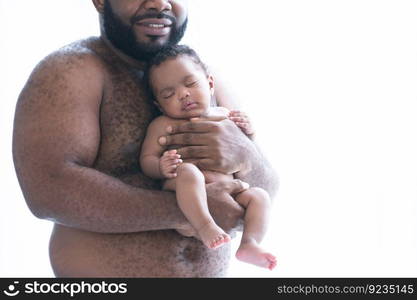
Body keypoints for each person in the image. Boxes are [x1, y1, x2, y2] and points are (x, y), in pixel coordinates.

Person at [12, 0, 278, 277]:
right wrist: (188, 211)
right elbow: (49, 190)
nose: (159, 3)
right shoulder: (71, 70)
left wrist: (246, 155)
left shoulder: (201, 77)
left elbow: (267, 188)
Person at [140, 45, 277, 270]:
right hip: (186, 186)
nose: (183, 94)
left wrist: (248, 130)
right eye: (168, 94)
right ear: (159, 105)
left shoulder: (224, 114)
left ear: (210, 84)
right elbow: (147, 158)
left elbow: (246, 148)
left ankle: (249, 244)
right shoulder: (163, 125)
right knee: (189, 171)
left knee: (260, 196)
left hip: (230, 187)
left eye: (191, 84)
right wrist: (160, 167)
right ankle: (205, 225)